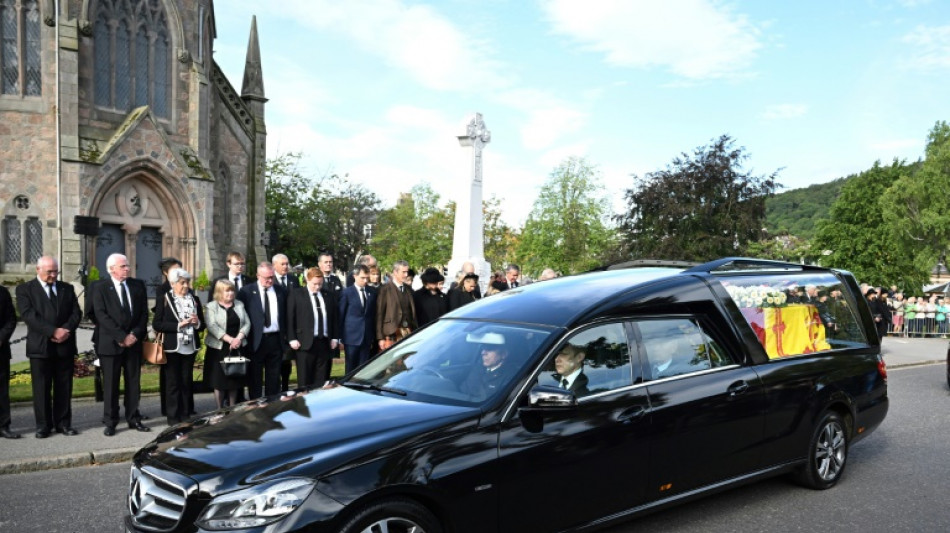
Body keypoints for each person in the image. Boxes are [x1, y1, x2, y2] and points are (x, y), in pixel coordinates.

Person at [16, 256, 82, 438]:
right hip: (41, 346)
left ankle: (63, 424)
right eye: (49, 272)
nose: (53, 275)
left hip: (65, 346)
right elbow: (29, 315)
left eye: (56, 271)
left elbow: (76, 313)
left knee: (64, 386)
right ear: (38, 269)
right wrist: (53, 331)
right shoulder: (25, 289)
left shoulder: (66, 288)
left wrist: (66, 329)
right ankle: (43, 425)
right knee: (41, 388)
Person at [91, 253, 150, 436]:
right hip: (111, 343)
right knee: (111, 385)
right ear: (111, 269)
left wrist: (134, 335)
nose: (127, 268)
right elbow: (101, 315)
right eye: (123, 266)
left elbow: (143, 314)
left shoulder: (137, 285)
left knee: (133, 383)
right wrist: (121, 336)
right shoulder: (100, 287)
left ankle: (133, 417)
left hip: (133, 343)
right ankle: (111, 421)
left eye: (127, 265)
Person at [153, 268, 206, 426]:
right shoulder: (165, 298)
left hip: (190, 346)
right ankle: (173, 416)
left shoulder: (194, 299)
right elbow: (157, 324)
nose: (186, 285)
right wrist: (178, 325)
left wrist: (196, 322)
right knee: (172, 383)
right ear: (173, 284)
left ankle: (185, 414)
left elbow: (202, 325)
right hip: (172, 347)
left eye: (187, 282)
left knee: (186, 381)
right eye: (182, 282)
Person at [238, 262, 288, 398]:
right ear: (258, 276)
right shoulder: (246, 292)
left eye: (271, 277)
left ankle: (272, 405)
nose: (270, 280)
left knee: (274, 376)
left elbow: (286, 315)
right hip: (255, 340)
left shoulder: (280, 291)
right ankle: (256, 405)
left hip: (275, 339)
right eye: (266, 277)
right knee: (255, 377)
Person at [288, 268, 340, 387]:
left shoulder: (328, 295)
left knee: (322, 379)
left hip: (324, 343)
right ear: (307, 280)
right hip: (304, 343)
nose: (317, 287)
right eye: (314, 284)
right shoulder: (297, 294)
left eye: (320, 284)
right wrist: (292, 338)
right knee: (305, 379)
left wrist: (335, 338)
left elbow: (334, 318)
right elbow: (290, 318)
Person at [204, 279, 251, 409]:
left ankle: (232, 407)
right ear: (219, 292)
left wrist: (238, 339)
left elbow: (247, 323)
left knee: (234, 380)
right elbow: (212, 326)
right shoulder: (211, 306)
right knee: (219, 381)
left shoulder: (239, 304)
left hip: (237, 346)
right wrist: (230, 340)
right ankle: (219, 409)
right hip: (219, 348)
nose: (230, 293)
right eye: (227, 290)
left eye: (232, 290)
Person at [339, 265, 377, 373]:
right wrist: (339, 337)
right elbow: (341, 315)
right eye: (362, 278)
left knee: (363, 368)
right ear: (355, 276)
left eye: (367, 278)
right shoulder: (347, 293)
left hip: (367, 337)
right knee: (351, 367)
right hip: (351, 337)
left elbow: (373, 314)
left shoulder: (372, 292)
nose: (365, 281)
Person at [376, 260, 417, 352]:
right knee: (391, 364)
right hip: (390, 333)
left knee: (406, 362)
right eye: (403, 272)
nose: (406, 275)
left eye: (407, 272)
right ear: (395, 272)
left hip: (408, 331)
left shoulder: (409, 289)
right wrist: (380, 338)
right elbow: (379, 314)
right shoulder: (385, 289)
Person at [271, 253, 298, 391]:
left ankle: (286, 386)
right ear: (274, 265)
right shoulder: (271, 280)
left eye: (287, 264)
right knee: (278, 360)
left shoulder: (293, 280)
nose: (286, 266)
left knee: (287, 360)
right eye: (282, 264)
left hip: (291, 324)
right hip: (276, 325)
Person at [0, 284, 20, 439]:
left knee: (2, 391)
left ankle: (3, 426)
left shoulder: (2, 292)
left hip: (0, 349)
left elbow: (11, 319)